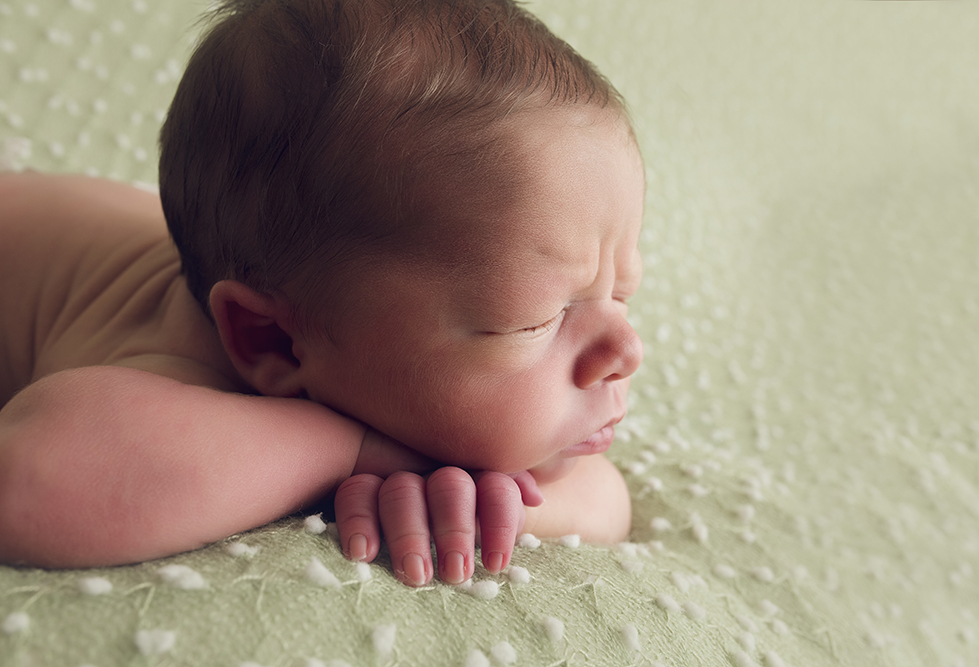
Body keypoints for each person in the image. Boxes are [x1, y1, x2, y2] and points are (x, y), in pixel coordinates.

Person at [0, 0, 644, 587]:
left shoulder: (349, 320)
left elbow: (604, 498)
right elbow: (26, 485)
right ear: (272, 339)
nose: (625, 350)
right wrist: (351, 453)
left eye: (622, 291)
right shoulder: (182, 372)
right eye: (534, 320)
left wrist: (490, 500)